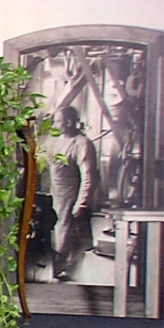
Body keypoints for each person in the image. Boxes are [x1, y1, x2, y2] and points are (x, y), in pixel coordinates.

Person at [44, 105, 100, 281]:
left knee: (68, 233)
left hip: (71, 196)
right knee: (55, 232)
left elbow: (89, 176)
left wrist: (81, 203)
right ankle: (57, 268)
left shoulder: (82, 143)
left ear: (69, 122)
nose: (55, 125)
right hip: (55, 195)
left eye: (58, 121)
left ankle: (66, 270)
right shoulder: (54, 141)